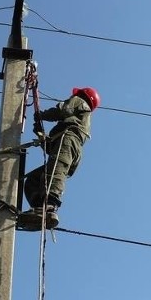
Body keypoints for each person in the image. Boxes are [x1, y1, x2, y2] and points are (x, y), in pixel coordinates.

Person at [18, 87, 100, 229]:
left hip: (68, 141)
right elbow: (51, 149)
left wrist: (41, 115)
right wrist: (40, 133)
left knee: (55, 170)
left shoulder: (79, 101)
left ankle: (50, 207)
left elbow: (63, 110)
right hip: (70, 147)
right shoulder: (74, 123)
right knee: (34, 180)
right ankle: (38, 209)